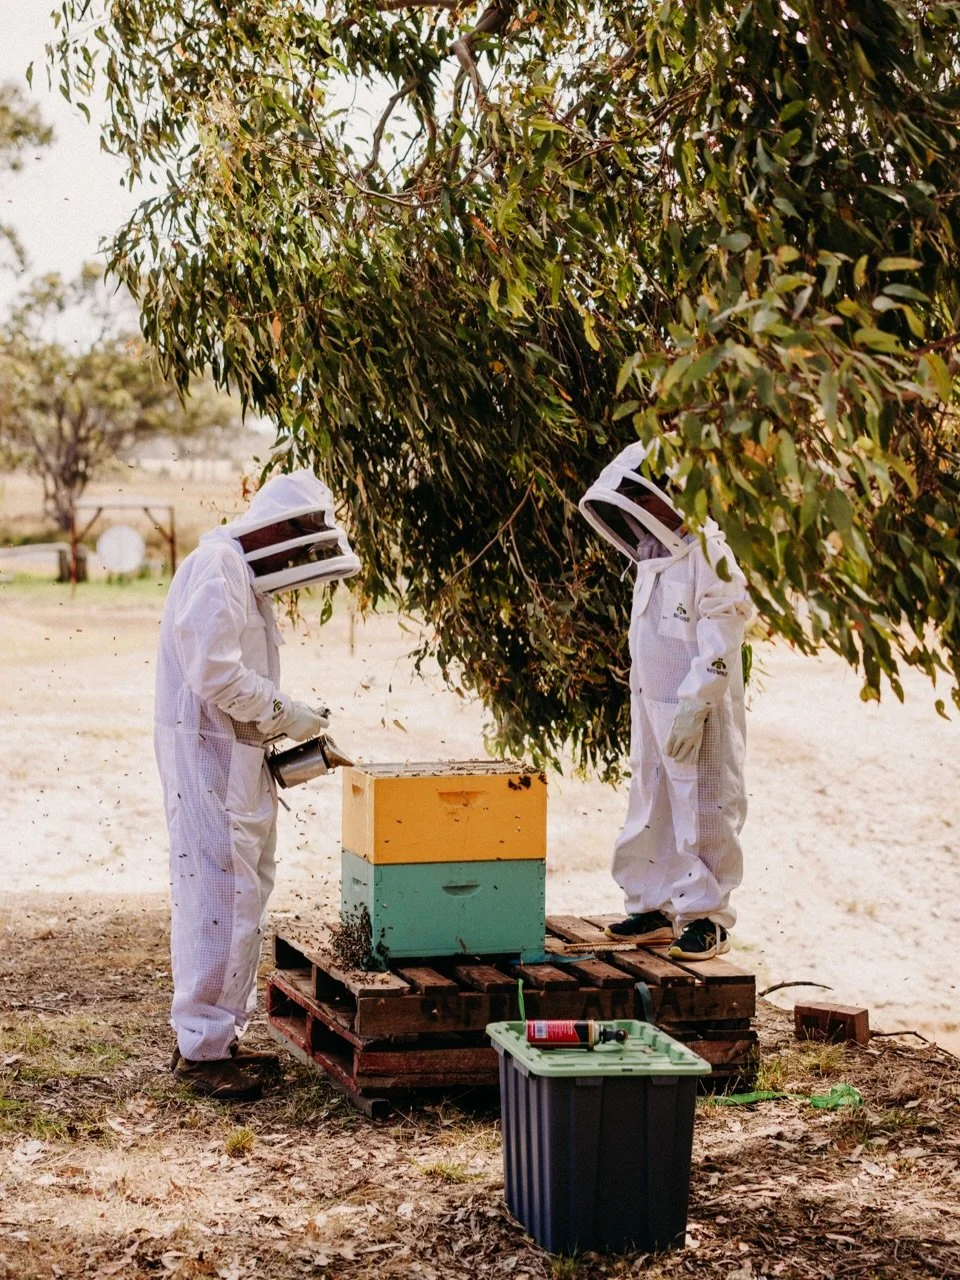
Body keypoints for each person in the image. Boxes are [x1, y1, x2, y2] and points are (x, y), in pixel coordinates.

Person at [155, 470, 360, 1099]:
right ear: (282, 526)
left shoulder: (240, 574)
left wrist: (281, 720)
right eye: (302, 539)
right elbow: (215, 674)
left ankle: (216, 1038)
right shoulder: (217, 565)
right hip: (213, 758)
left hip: (232, 757)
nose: (301, 556)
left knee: (241, 892)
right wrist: (284, 712)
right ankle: (204, 1051)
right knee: (223, 899)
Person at [579, 442, 752, 960]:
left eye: (642, 495)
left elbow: (725, 628)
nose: (640, 508)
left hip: (697, 713)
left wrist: (696, 704)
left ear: (669, 493)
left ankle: (706, 918)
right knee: (650, 803)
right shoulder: (651, 561)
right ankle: (652, 906)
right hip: (651, 706)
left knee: (704, 808)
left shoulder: (709, 553)